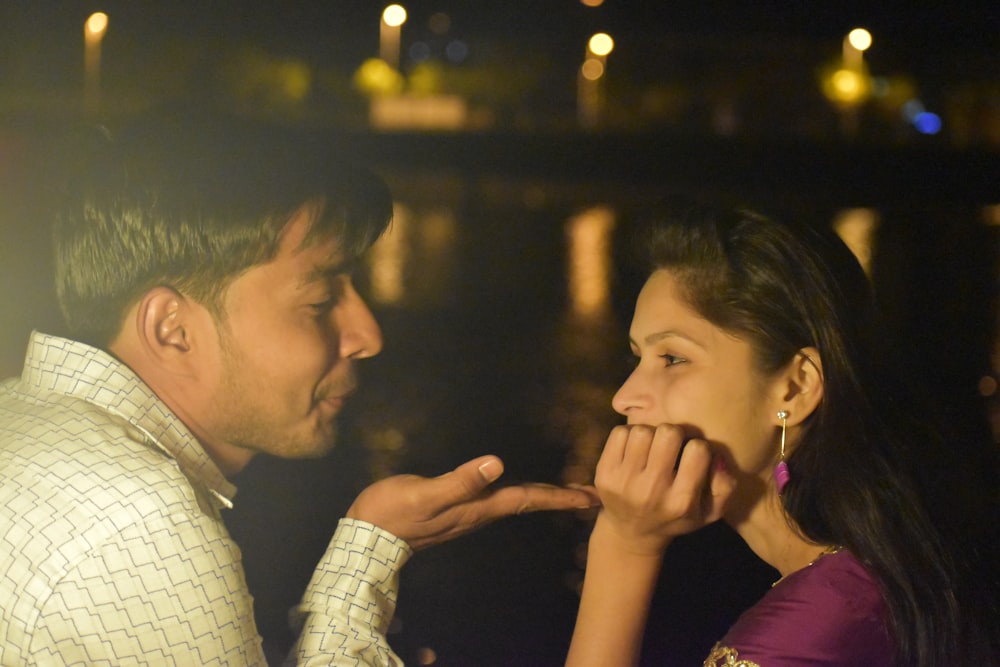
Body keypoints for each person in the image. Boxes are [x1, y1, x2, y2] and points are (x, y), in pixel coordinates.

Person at [0, 117, 597, 665]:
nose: (367, 335)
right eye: (318, 302)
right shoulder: (141, 526)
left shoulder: (21, 420)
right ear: (172, 329)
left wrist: (374, 543)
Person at [565, 205, 1000, 666]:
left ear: (795, 387)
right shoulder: (887, 571)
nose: (624, 397)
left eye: (672, 358)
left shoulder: (805, 634)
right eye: (636, 358)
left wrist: (624, 545)